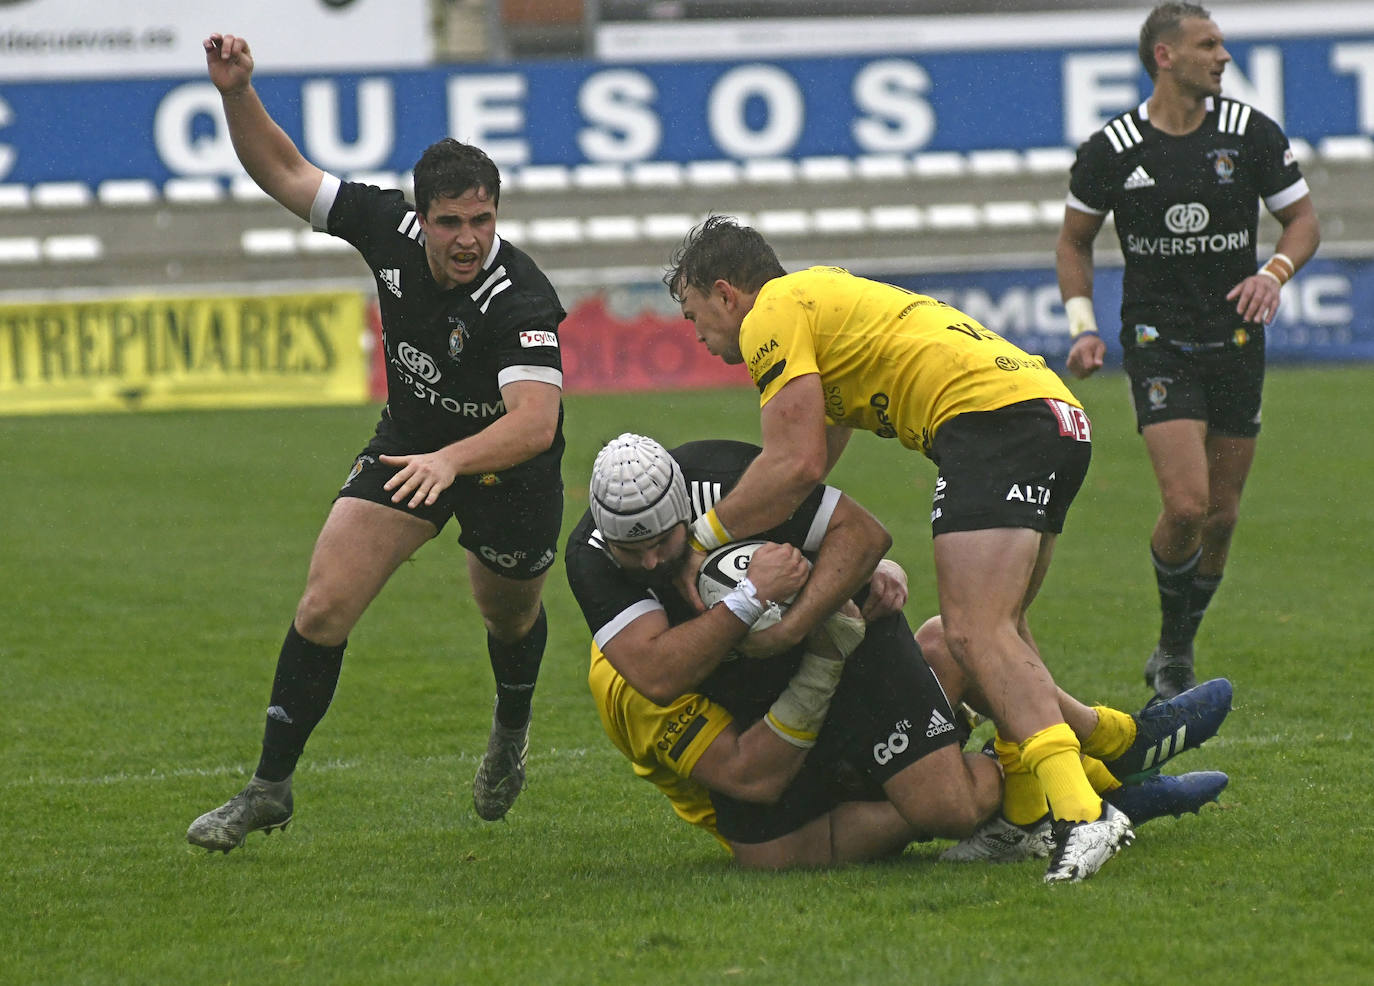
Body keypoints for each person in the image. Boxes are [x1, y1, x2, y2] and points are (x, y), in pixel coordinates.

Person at [187, 34, 567, 852]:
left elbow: (534, 425)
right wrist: (236, 93)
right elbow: (286, 175)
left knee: (509, 617)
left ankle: (510, 727)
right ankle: (269, 787)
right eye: (451, 222)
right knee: (323, 603)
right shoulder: (385, 225)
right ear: (421, 216)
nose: (468, 238)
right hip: (410, 449)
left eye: (483, 220)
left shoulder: (521, 294)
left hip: (510, 473)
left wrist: (454, 461)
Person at [565, 434, 1231, 869]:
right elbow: (751, 774)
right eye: (634, 552)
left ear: (687, 507)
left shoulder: (722, 479)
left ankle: (1114, 748)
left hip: (840, 653)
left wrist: (825, 594)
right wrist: (771, 621)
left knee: (950, 803)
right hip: (779, 736)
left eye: (665, 541)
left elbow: (863, 533)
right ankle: (1096, 785)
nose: (652, 561)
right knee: (766, 856)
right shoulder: (623, 679)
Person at [1056, 2, 1320, 700]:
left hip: (1236, 341)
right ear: (1164, 57)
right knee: (1186, 507)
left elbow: (1301, 221)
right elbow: (1073, 240)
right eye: (1208, 44)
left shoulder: (1251, 134)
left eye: (1223, 44)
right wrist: (1083, 324)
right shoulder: (1113, 148)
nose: (1223, 56)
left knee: (1223, 515)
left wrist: (1274, 274)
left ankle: (1177, 644)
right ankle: (1175, 652)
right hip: (1158, 341)